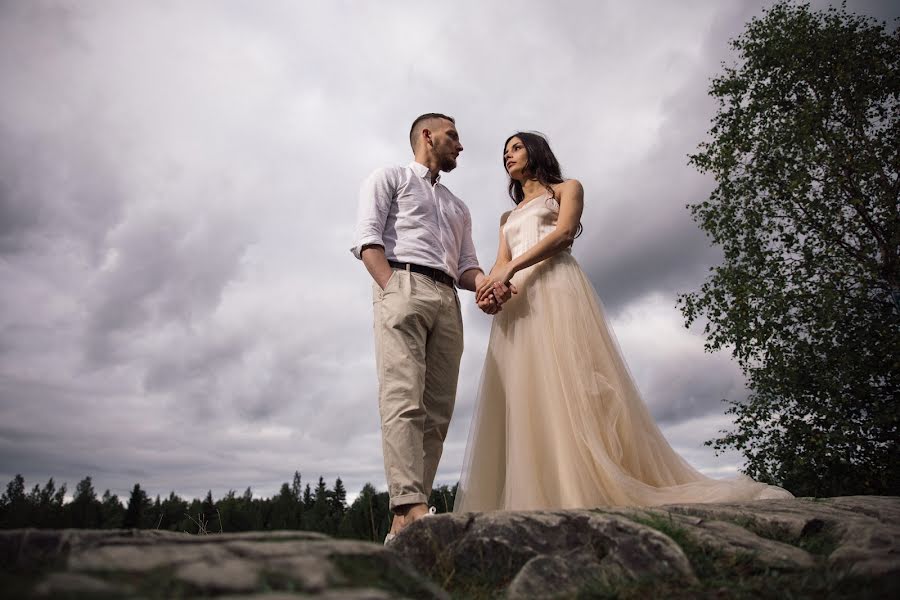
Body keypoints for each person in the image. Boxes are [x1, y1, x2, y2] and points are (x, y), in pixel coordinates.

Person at [453, 131, 792, 512]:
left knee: (571, 381)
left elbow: (564, 235)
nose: (507, 156)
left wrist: (512, 268)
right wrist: (490, 291)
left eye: (515, 148)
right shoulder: (508, 216)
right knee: (526, 391)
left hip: (557, 290)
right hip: (520, 303)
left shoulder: (567, 189)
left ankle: (579, 486)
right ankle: (537, 492)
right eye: (504, 152)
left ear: (535, 152)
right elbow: (500, 262)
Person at [351, 113, 513, 541]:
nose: (460, 146)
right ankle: (412, 504)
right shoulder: (389, 177)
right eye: (453, 136)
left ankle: (402, 525)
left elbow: (466, 266)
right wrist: (391, 288)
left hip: (448, 300)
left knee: (438, 412)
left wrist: (486, 288)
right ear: (428, 135)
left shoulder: (458, 206)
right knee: (402, 397)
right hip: (401, 282)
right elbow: (368, 240)